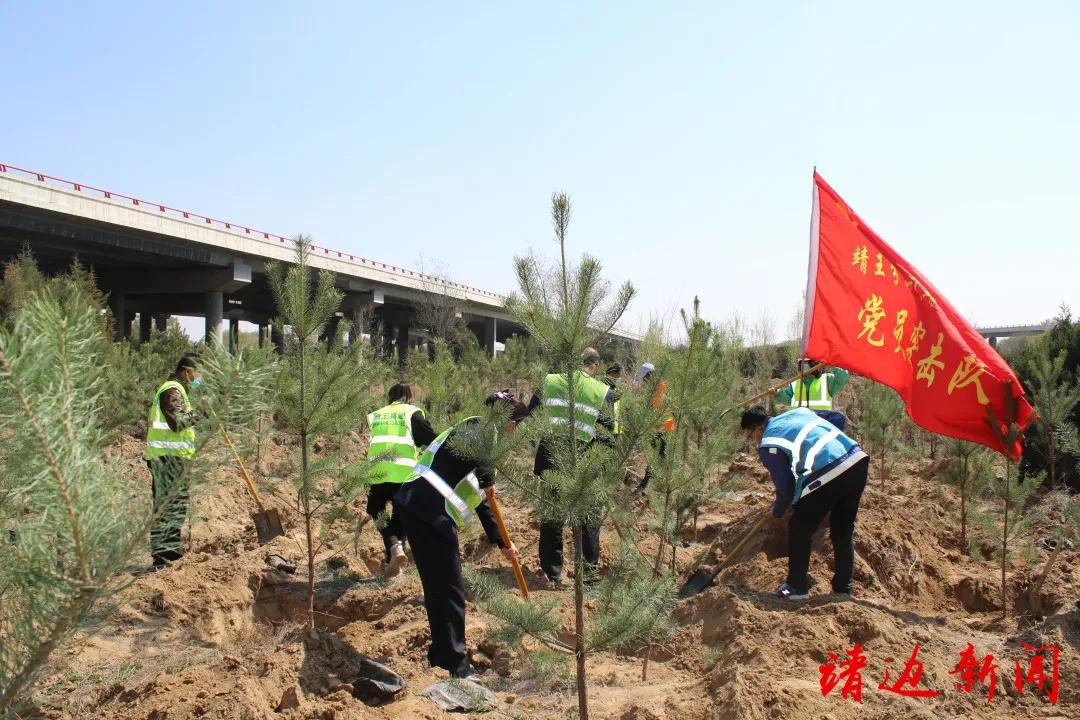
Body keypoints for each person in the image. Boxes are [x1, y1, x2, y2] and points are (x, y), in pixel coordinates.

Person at [394, 391, 529, 678]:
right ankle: (454, 664)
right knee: (449, 591)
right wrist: (489, 473)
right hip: (428, 510)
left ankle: (442, 655)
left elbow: (482, 501)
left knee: (441, 589)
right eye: (515, 423)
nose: (515, 430)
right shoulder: (478, 429)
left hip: (421, 508)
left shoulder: (482, 440)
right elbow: (476, 458)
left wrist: (504, 543)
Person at [740, 405, 869, 600]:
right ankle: (843, 589)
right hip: (855, 459)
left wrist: (777, 512)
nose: (754, 440)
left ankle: (796, 587)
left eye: (751, 436)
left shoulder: (768, 443)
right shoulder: (797, 412)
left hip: (827, 471)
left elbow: (786, 487)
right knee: (843, 531)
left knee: (800, 528)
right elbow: (837, 419)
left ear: (757, 429)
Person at [528, 348, 616, 587]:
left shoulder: (548, 381)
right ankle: (587, 574)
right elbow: (608, 437)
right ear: (595, 366)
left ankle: (552, 573)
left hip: (550, 460)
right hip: (586, 465)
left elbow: (533, 416)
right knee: (588, 519)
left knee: (551, 518)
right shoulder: (604, 392)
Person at [365, 382, 436, 578]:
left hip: (377, 471)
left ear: (389, 396)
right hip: (403, 472)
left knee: (375, 510)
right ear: (409, 396)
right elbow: (429, 437)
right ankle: (396, 558)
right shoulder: (411, 412)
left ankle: (393, 553)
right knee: (401, 515)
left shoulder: (377, 414)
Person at [144, 354, 201, 569]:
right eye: (197, 374)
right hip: (167, 460)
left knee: (174, 507)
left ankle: (170, 554)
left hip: (173, 459)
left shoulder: (178, 391)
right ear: (187, 372)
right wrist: (201, 413)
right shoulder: (172, 391)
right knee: (168, 508)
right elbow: (177, 423)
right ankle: (163, 559)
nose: (198, 379)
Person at [775, 358, 850, 430]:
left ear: (814, 364)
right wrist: (777, 393)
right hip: (800, 426)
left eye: (807, 364)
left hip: (820, 427)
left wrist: (833, 364)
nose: (804, 367)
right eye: (802, 364)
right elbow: (788, 400)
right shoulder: (795, 383)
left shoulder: (827, 380)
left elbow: (843, 377)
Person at [636, 362, 675, 490]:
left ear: (650, 375)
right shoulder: (661, 387)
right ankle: (653, 483)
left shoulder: (660, 389)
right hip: (662, 428)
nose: (644, 382)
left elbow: (657, 412)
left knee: (658, 456)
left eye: (645, 378)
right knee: (659, 456)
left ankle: (651, 484)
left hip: (662, 429)